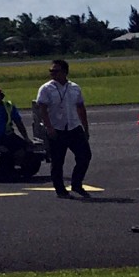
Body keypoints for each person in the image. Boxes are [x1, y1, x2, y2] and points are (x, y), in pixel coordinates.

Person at [34, 58, 91, 198]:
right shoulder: (46, 88)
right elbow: (42, 109)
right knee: (58, 161)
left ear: (65, 72)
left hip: (73, 126)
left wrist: (85, 127)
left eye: (56, 71)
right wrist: (49, 127)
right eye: (51, 71)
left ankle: (76, 184)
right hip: (56, 128)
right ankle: (60, 189)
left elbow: (80, 107)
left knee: (85, 156)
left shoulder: (74, 88)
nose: (52, 73)